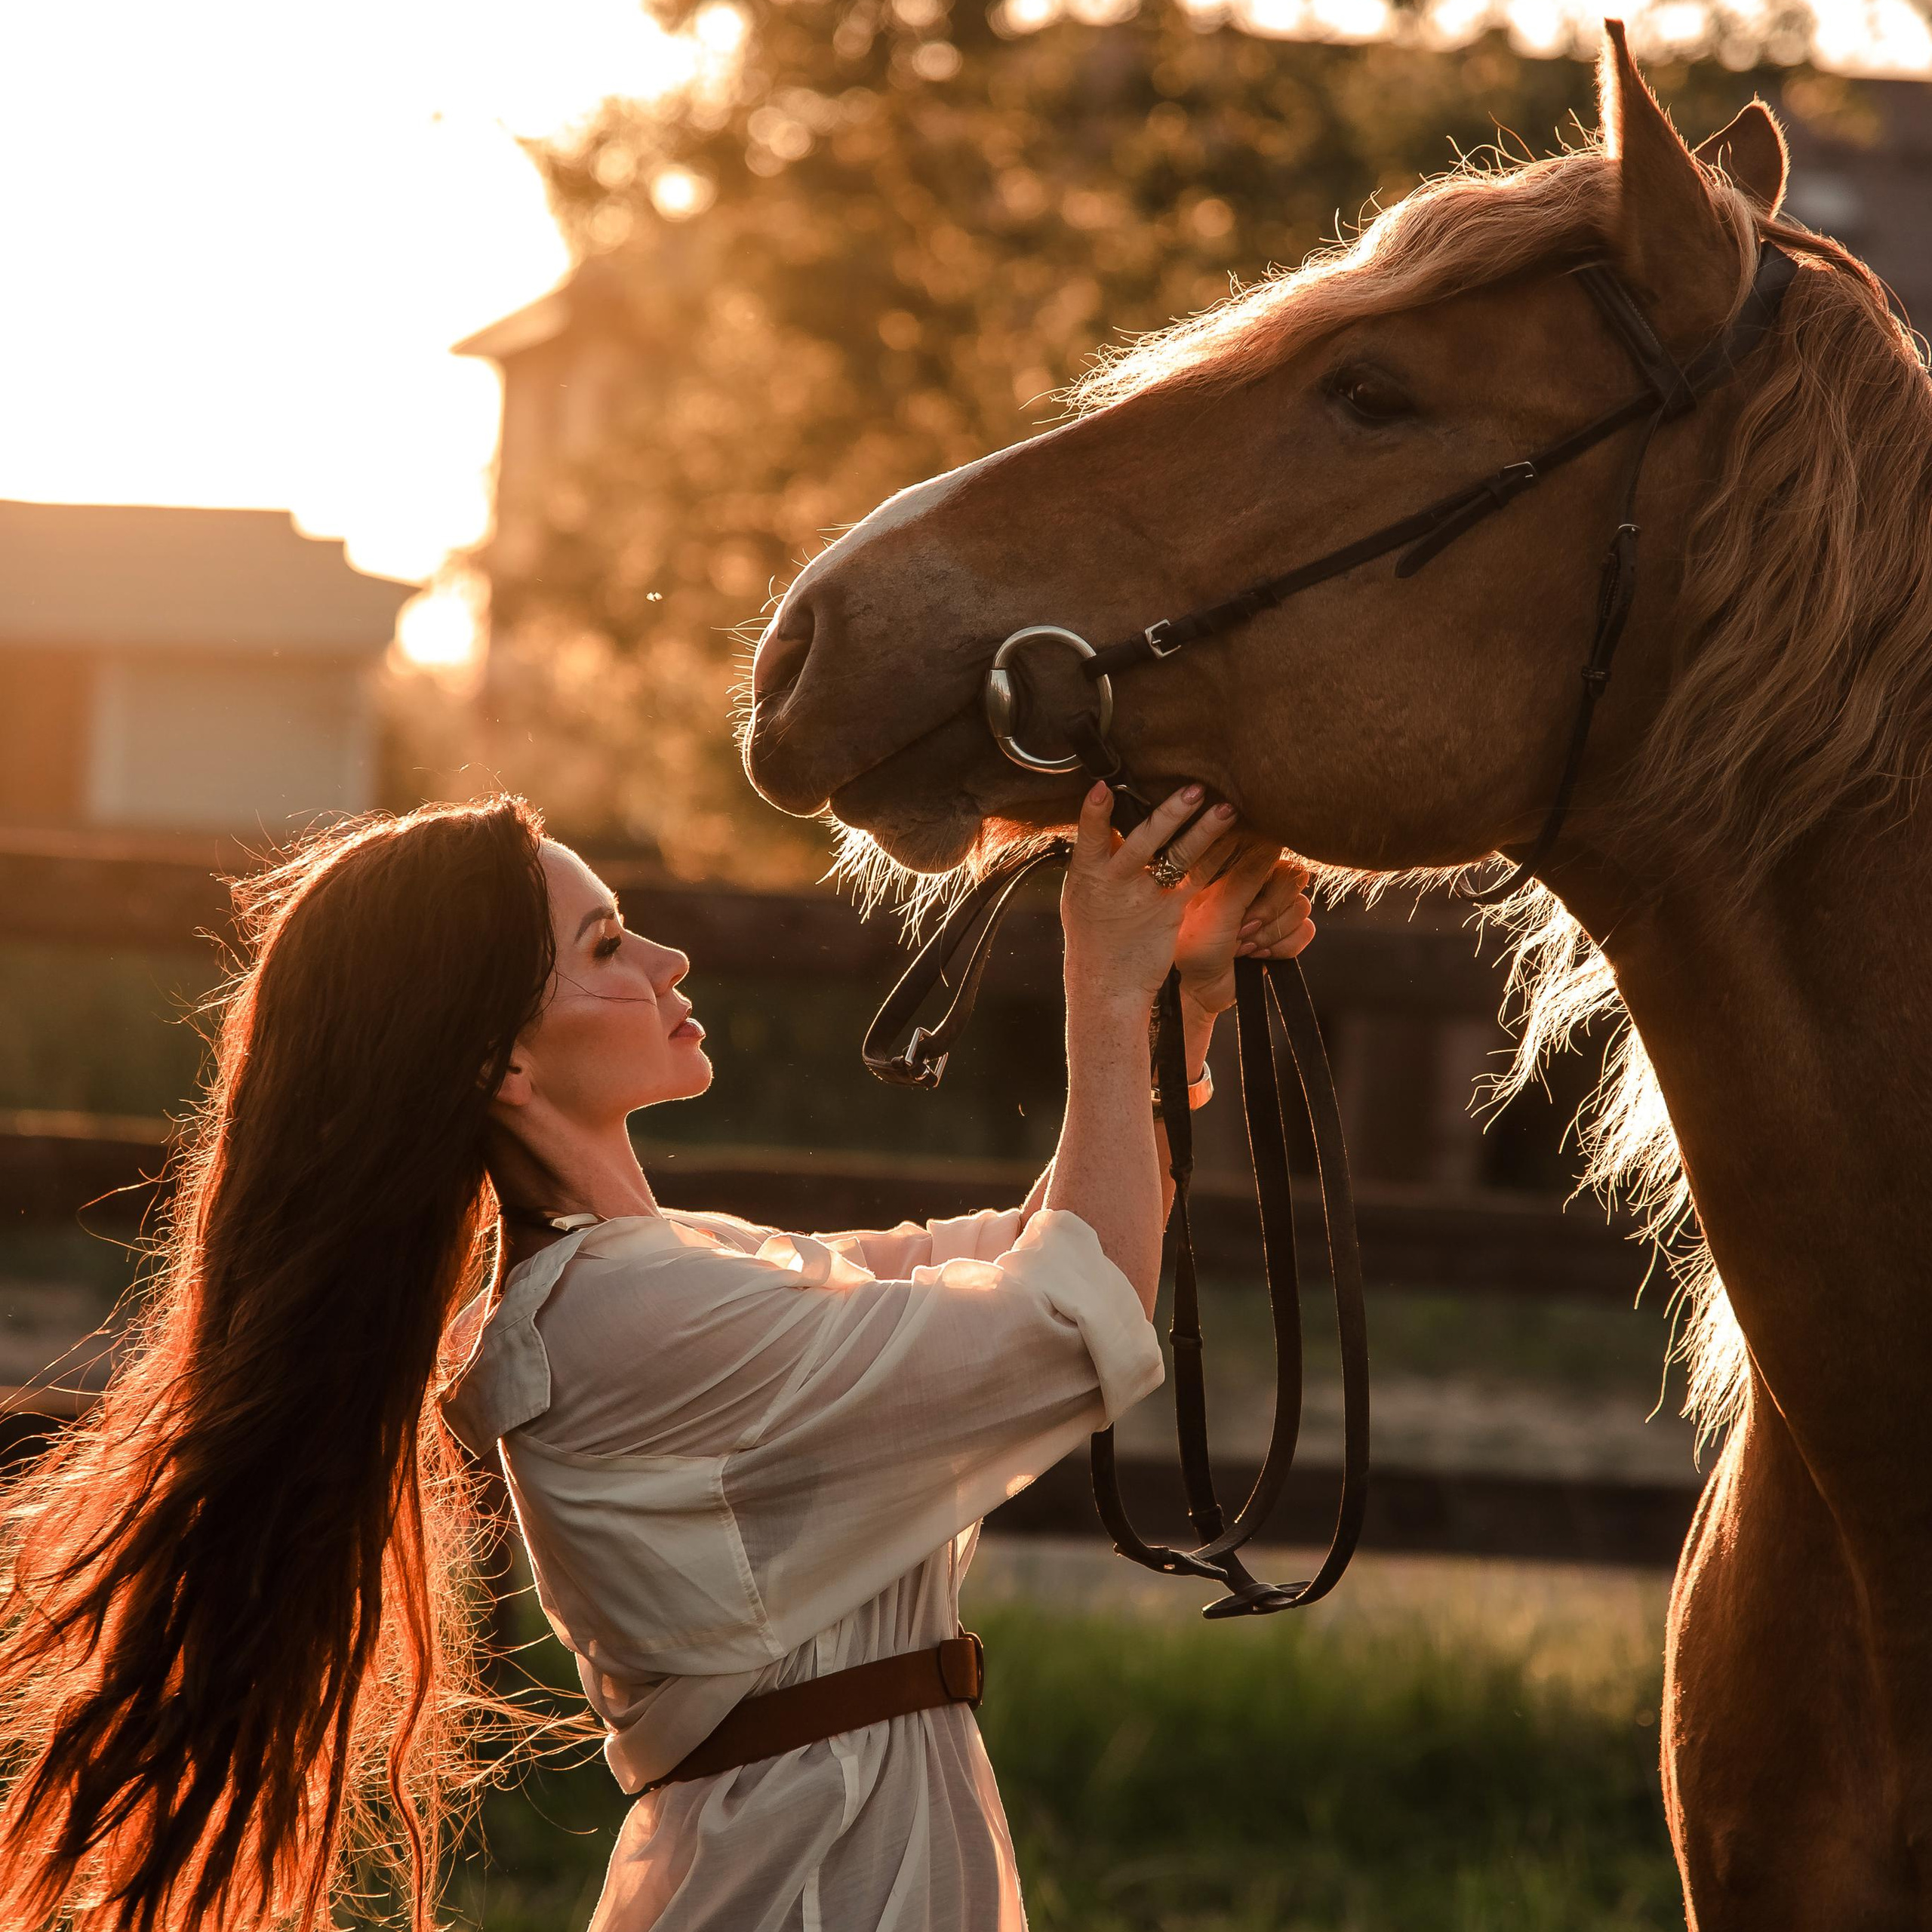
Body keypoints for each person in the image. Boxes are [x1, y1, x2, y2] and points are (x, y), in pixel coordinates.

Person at [0, 783, 1312, 1932]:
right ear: (503, 1060)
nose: (672, 960)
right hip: (809, 1890)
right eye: (608, 947)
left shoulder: (668, 1268)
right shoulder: (620, 1326)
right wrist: (1111, 978)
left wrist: (1173, 1000)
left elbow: (1033, 1251)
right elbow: (1059, 1319)